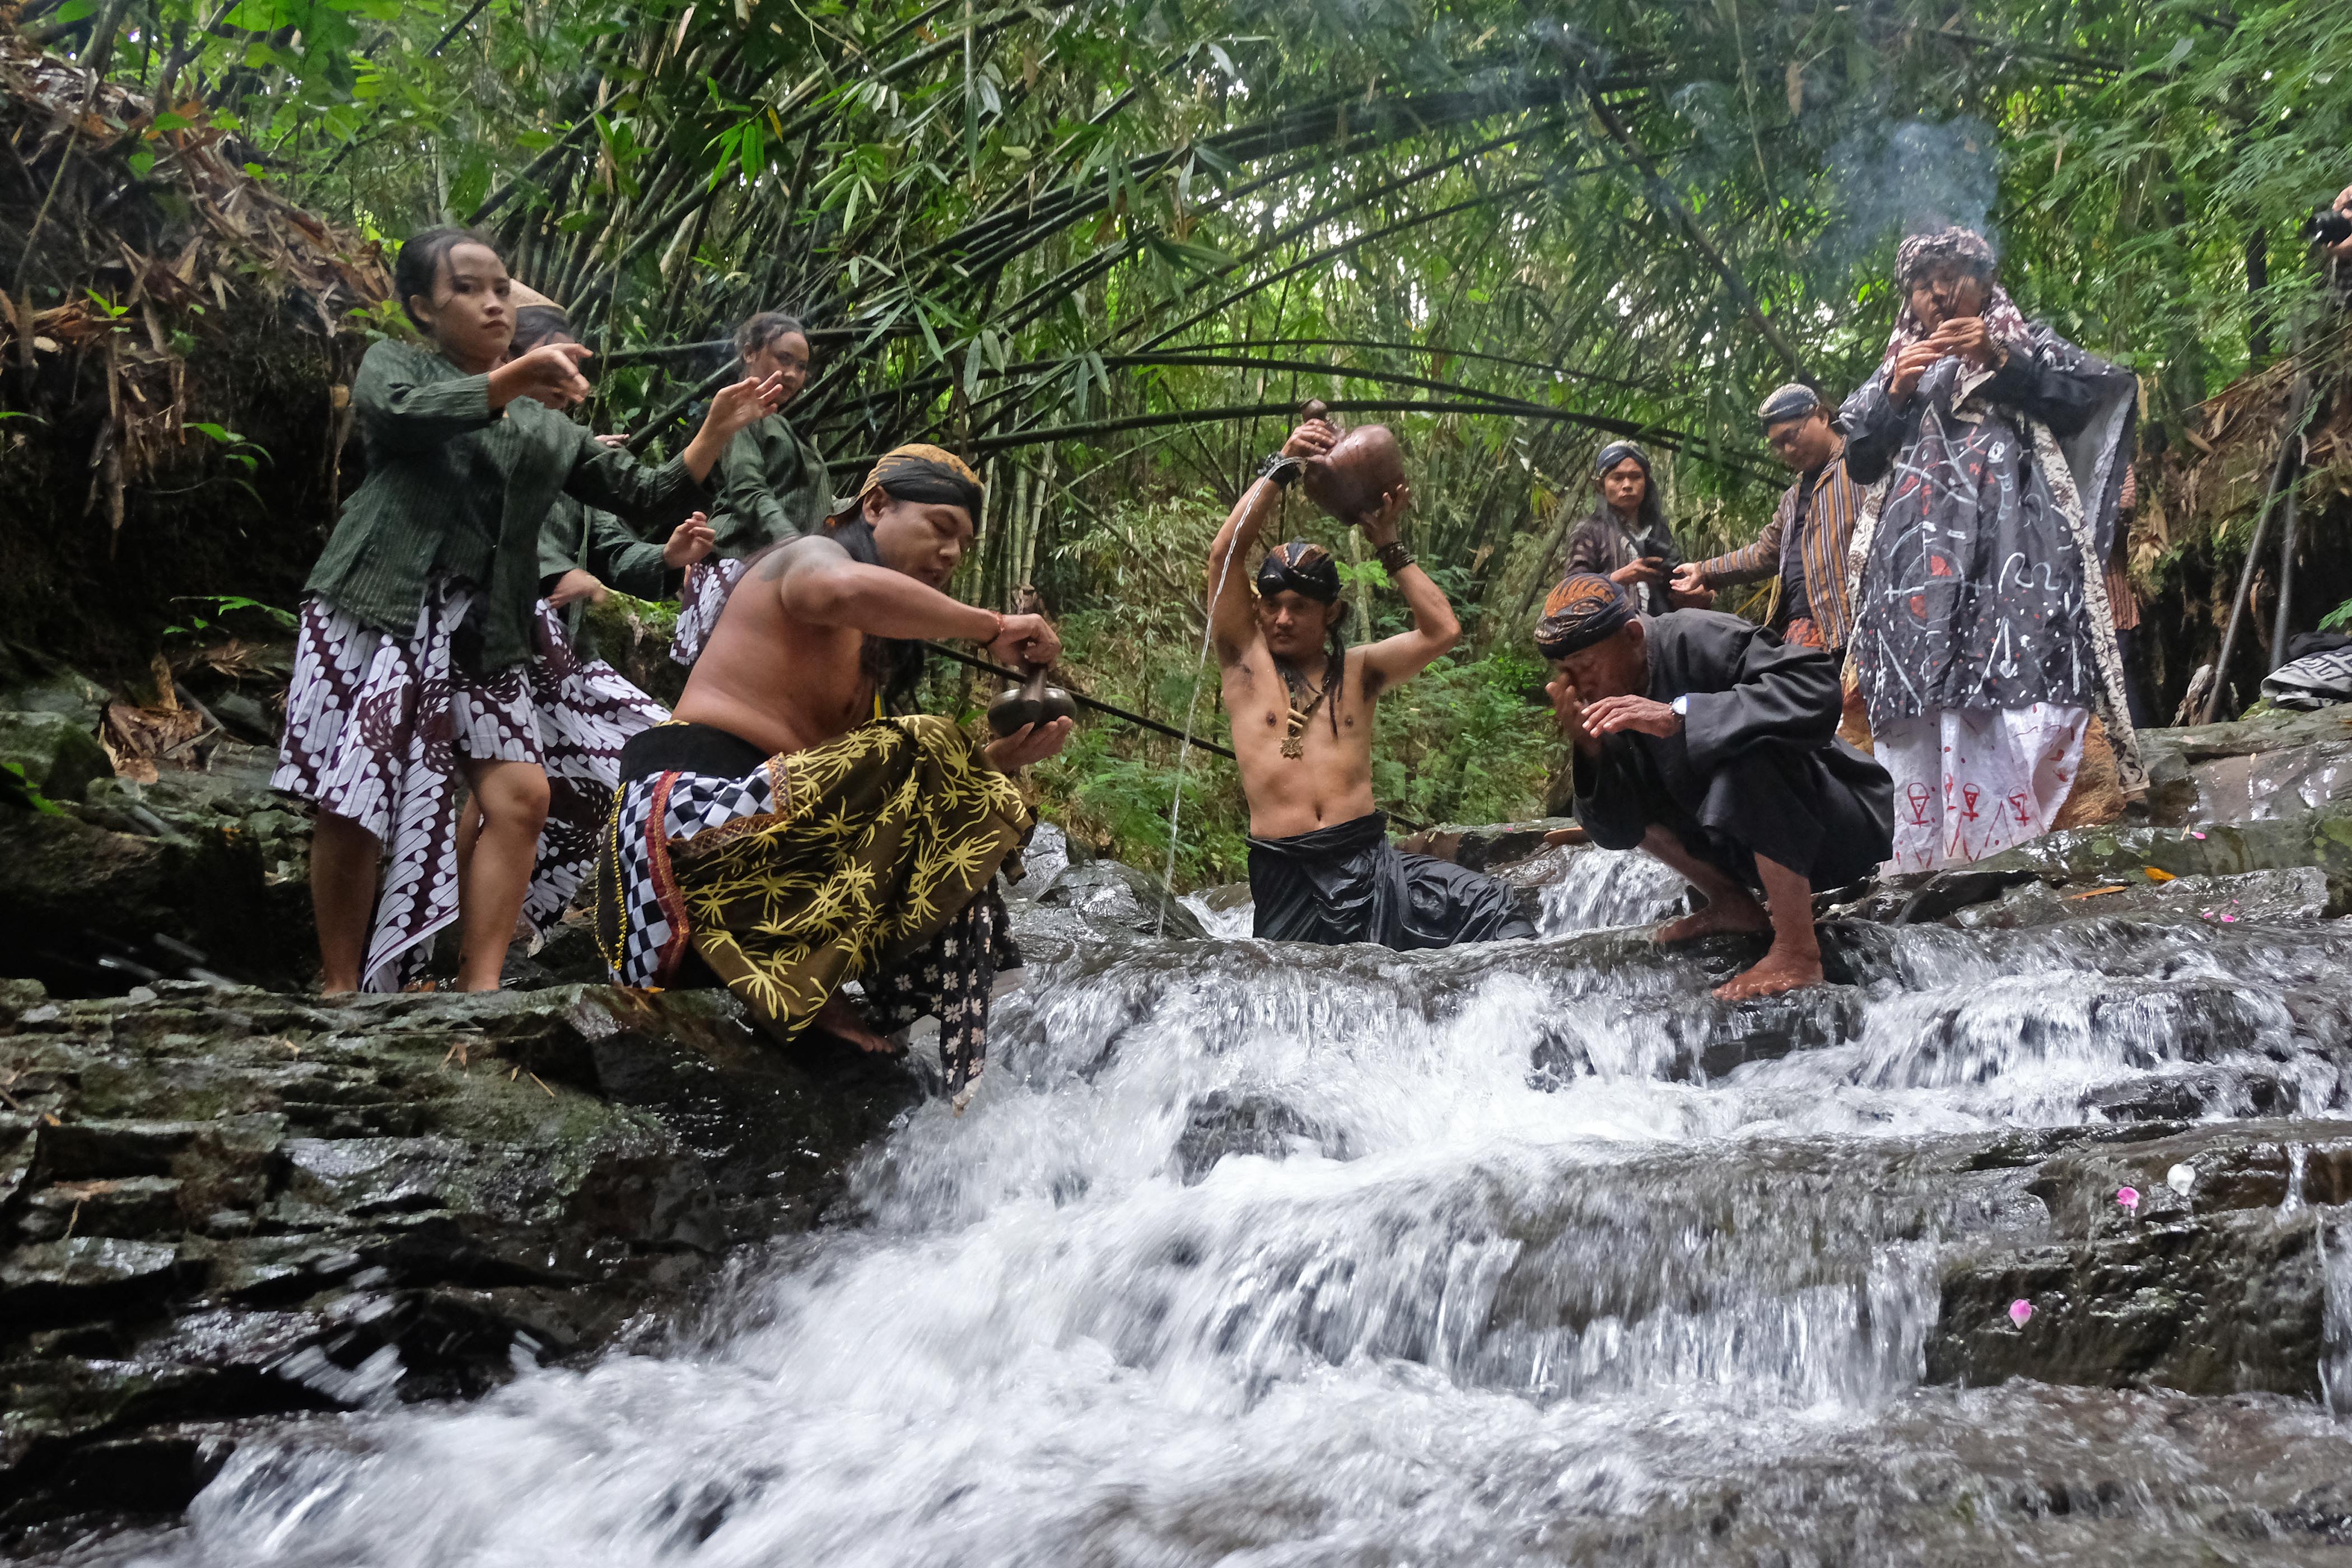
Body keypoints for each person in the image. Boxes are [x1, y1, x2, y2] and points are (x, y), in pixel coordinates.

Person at [273, 226, 782, 994]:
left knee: (521, 796)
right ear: (421, 307)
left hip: (488, 627)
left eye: (501, 290)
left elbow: (641, 493)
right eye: (467, 290)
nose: (491, 304)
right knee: (353, 797)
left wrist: (712, 431)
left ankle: (481, 992)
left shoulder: (549, 427)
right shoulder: (396, 365)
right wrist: (510, 382)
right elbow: (406, 413)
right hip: (381, 604)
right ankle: (341, 984)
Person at [592, 445, 1070, 1111]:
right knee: (927, 741)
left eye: (964, 542)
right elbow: (839, 593)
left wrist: (996, 762)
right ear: (875, 507)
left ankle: (833, 988)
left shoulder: (871, 650)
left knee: (951, 770)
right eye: (940, 528)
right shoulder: (811, 557)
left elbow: (871, 802)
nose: (953, 554)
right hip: (684, 833)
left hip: (758, 856)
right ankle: (799, 987)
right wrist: (988, 627)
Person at [1841, 226, 2141, 873]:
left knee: (2028, 671)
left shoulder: (2025, 343)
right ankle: (1927, 853)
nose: (1939, 293)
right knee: (1927, 692)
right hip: (1917, 573)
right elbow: (1861, 460)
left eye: (1953, 275)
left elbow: (2085, 402)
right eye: (1923, 283)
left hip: (2016, 552)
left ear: (1985, 279)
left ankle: (2038, 837)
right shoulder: (1898, 369)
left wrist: (2003, 360)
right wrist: (1895, 392)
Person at [1208, 419, 1534, 948]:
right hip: (1286, 870)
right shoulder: (1244, 667)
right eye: (1272, 605)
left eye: (1300, 607)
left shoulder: (1360, 672)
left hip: (1370, 861)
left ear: (1331, 613)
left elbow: (1444, 630)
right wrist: (1283, 466)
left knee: (1496, 910)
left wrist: (1388, 543)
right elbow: (1224, 559)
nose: (1283, 619)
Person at [1536, 573, 1893, 999]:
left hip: (1839, 827)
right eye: (1565, 673)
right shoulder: (1608, 697)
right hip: (1747, 851)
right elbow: (1617, 830)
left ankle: (1798, 950)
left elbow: (1816, 688)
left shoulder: (1699, 635)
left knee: (1745, 744)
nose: (1580, 685)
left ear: (1632, 636)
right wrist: (1591, 750)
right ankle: (1733, 904)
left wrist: (1681, 714)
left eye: (1586, 665)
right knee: (1619, 785)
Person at [485, 299, 716, 941]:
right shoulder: (482, 426)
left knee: (611, 778)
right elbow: (485, 522)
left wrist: (669, 557)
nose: (567, 382)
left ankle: (514, 929)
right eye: (553, 362)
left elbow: (617, 545)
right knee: (505, 791)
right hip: (496, 643)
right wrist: (556, 571)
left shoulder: (573, 447)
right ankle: (466, 939)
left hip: (560, 654)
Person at [670, 311, 829, 665]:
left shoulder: (777, 424)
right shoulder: (739, 413)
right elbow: (747, 489)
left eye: (801, 367)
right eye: (783, 359)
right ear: (749, 353)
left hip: (771, 567)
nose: (791, 374)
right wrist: (794, 544)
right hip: (740, 563)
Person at [1564, 440, 1711, 617]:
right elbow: (1571, 594)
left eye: (1635, 477)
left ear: (1646, 483)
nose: (1627, 485)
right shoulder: (1589, 530)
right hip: (1614, 635)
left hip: (1664, 633)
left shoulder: (1658, 531)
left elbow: (1679, 584)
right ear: (1601, 486)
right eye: (1617, 478)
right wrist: (1620, 578)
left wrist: (1703, 594)